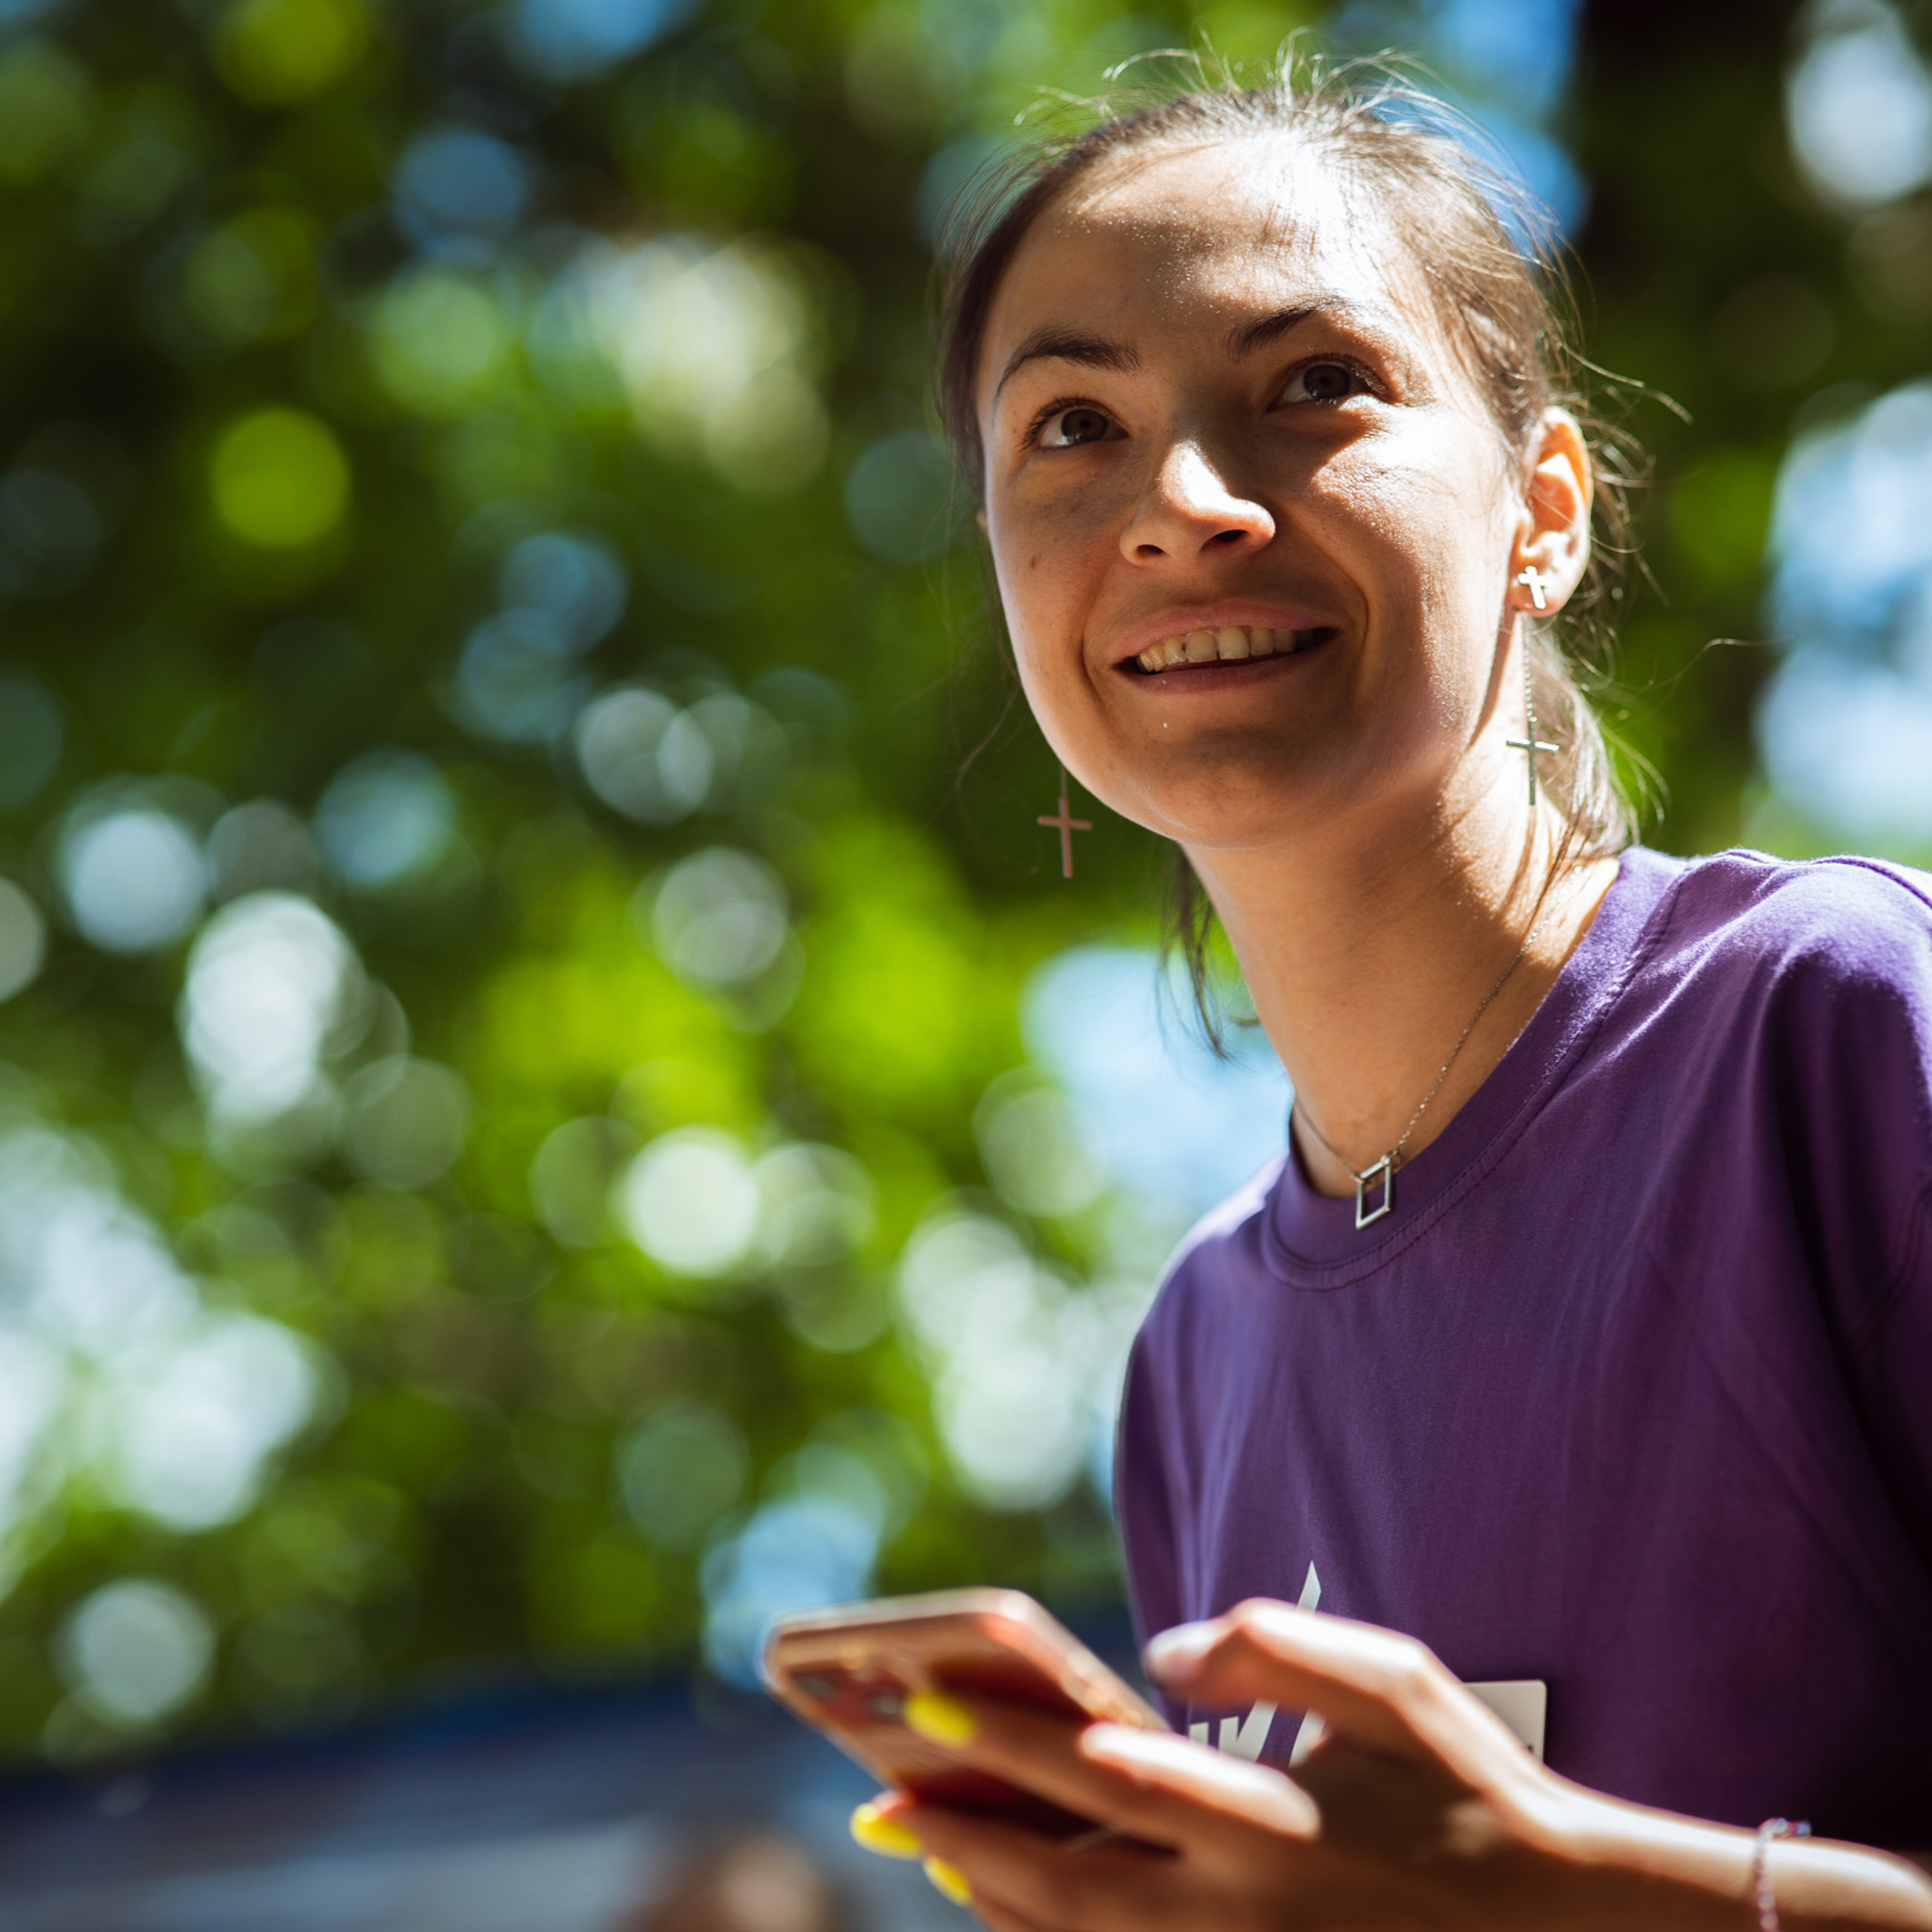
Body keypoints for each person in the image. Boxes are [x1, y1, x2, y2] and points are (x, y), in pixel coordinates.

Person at [841, 61, 1932, 1932]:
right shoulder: (1193, 1361)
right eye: (1072, 426)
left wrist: (1565, 1890)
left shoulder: (1836, 1028)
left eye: (1311, 385)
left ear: (1542, 511)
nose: (1181, 505)